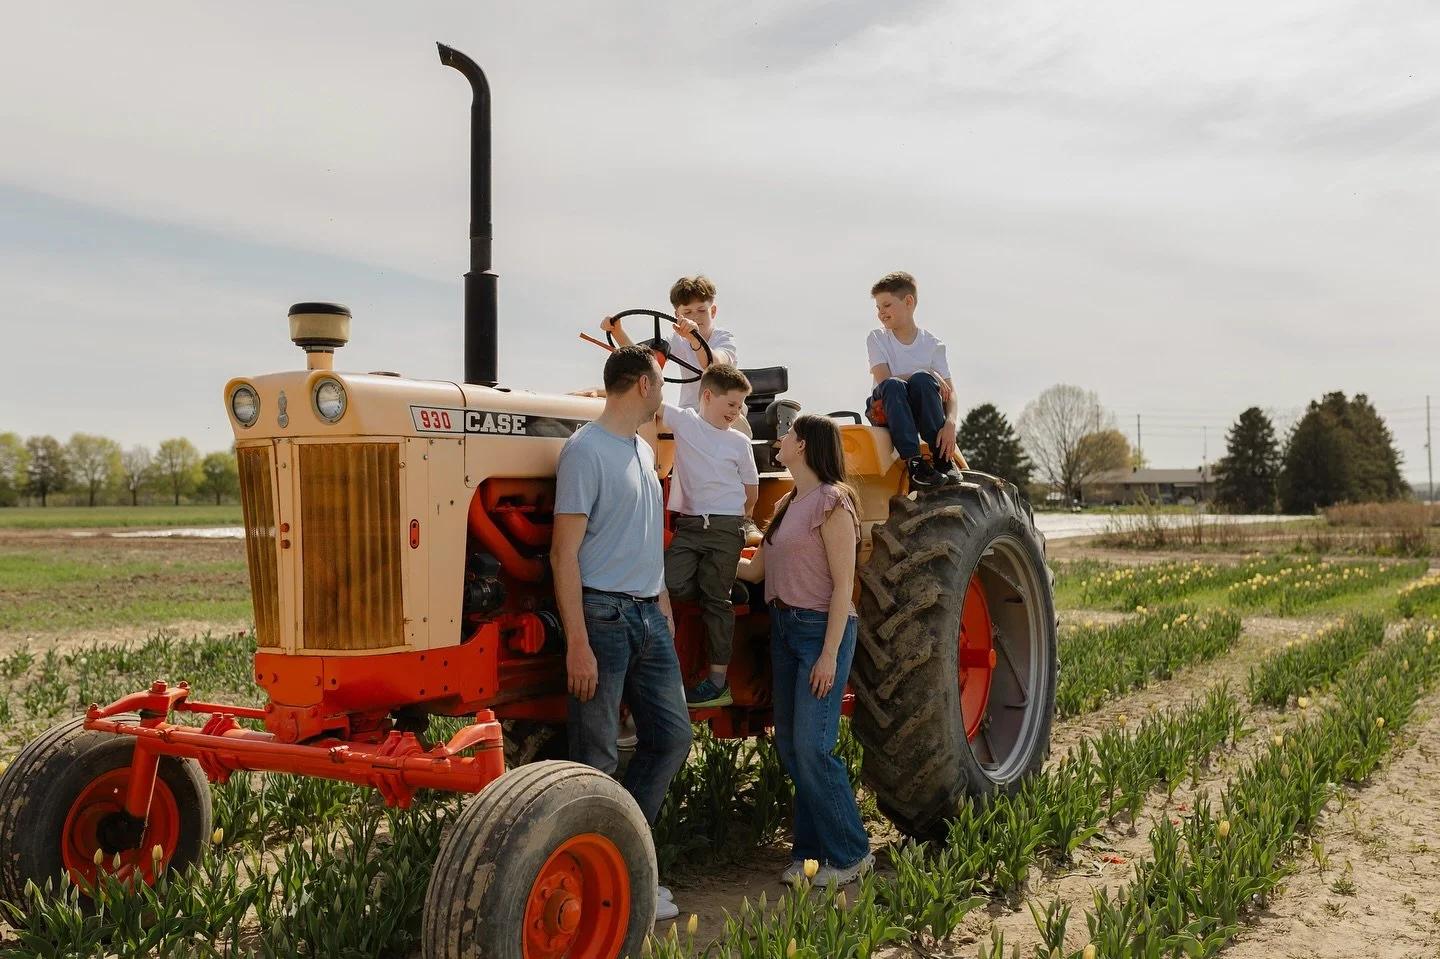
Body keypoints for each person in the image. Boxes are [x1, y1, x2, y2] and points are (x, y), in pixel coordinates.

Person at [552, 344, 694, 922]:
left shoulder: (641, 448)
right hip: (604, 618)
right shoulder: (585, 452)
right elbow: (564, 555)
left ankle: (627, 865)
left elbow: (641, 534)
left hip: (646, 615)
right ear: (640, 385)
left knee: (672, 736)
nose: (663, 394)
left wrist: (660, 598)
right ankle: (590, 891)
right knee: (595, 758)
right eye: (659, 384)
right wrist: (578, 643)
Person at [736, 413, 873, 886]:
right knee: (792, 748)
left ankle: (853, 854)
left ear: (808, 445)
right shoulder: (790, 503)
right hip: (784, 630)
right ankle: (811, 855)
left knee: (815, 747)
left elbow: (843, 586)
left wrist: (830, 654)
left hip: (820, 630)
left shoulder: (833, 502)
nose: (781, 438)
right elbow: (755, 573)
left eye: (790, 435)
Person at [660, 364, 760, 708]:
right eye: (731, 405)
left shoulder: (739, 442)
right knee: (668, 582)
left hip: (724, 526)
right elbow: (647, 401)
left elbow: (751, 491)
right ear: (707, 396)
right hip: (689, 525)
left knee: (716, 602)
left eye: (740, 406)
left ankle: (717, 679)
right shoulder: (685, 422)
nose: (736, 412)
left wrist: (738, 518)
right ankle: (720, 581)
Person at [864, 271, 960, 488]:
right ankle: (914, 464)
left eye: (887, 305)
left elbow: (950, 393)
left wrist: (951, 423)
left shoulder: (933, 345)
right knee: (896, 384)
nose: (881, 313)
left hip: (922, 408)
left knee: (922, 381)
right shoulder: (877, 338)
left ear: (908, 302)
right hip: (886, 408)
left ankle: (942, 459)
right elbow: (883, 379)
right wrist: (929, 373)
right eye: (878, 308)